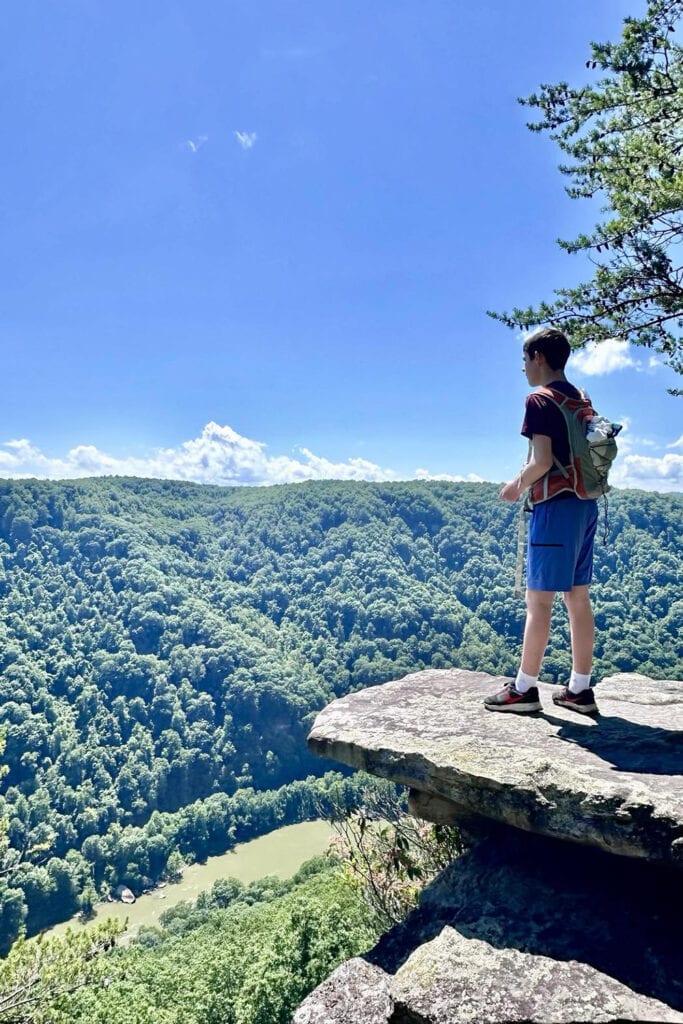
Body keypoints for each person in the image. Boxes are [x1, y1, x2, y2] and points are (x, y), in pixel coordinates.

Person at [484, 327, 599, 715]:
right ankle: (580, 689)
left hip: (555, 507)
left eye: (524, 360)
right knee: (578, 597)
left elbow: (543, 461)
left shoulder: (539, 399)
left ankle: (523, 690)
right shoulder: (580, 399)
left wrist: (516, 486)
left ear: (538, 358)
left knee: (539, 601)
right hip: (585, 504)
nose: (523, 369)